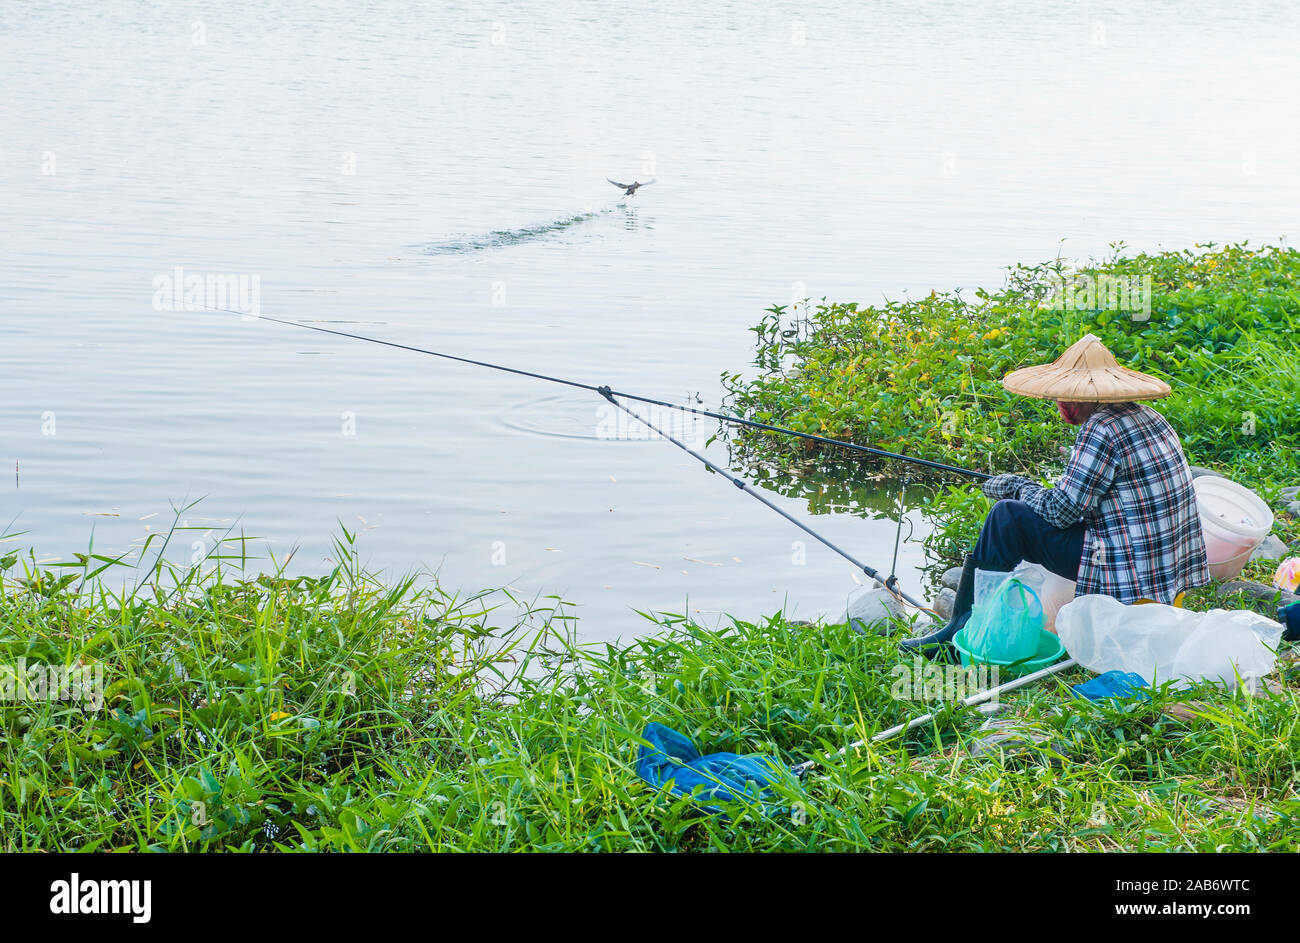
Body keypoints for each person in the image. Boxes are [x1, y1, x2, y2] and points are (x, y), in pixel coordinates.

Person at [902, 333, 1210, 660]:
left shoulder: (1101, 429)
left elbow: (1061, 512)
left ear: (1086, 398)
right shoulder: (1150, 417)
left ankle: (956, 634)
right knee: (1018, 511)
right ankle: (968, 625)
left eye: (1066, 396)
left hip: (1128, 568)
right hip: (1162, 569)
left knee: (1006, 517)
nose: (1060, 404)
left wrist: (1017, 487)